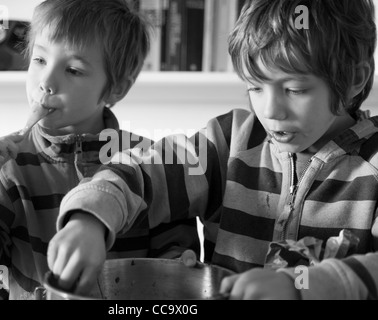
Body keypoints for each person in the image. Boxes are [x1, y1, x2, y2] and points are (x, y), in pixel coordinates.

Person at [48, 0, 378, 299]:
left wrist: (301, 285)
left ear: (355, 80)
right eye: (255, 87)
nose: (271, 110)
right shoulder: (229, 142)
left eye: (295, 89)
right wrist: (89, 217)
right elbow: (141, 170)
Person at [0, 0, 199, 300]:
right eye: (39, 60)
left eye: (73, 70)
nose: (46, 82)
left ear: (116, 88)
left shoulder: (149, 165)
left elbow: (175, 263)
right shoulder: (8, 166)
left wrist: (182, 264)